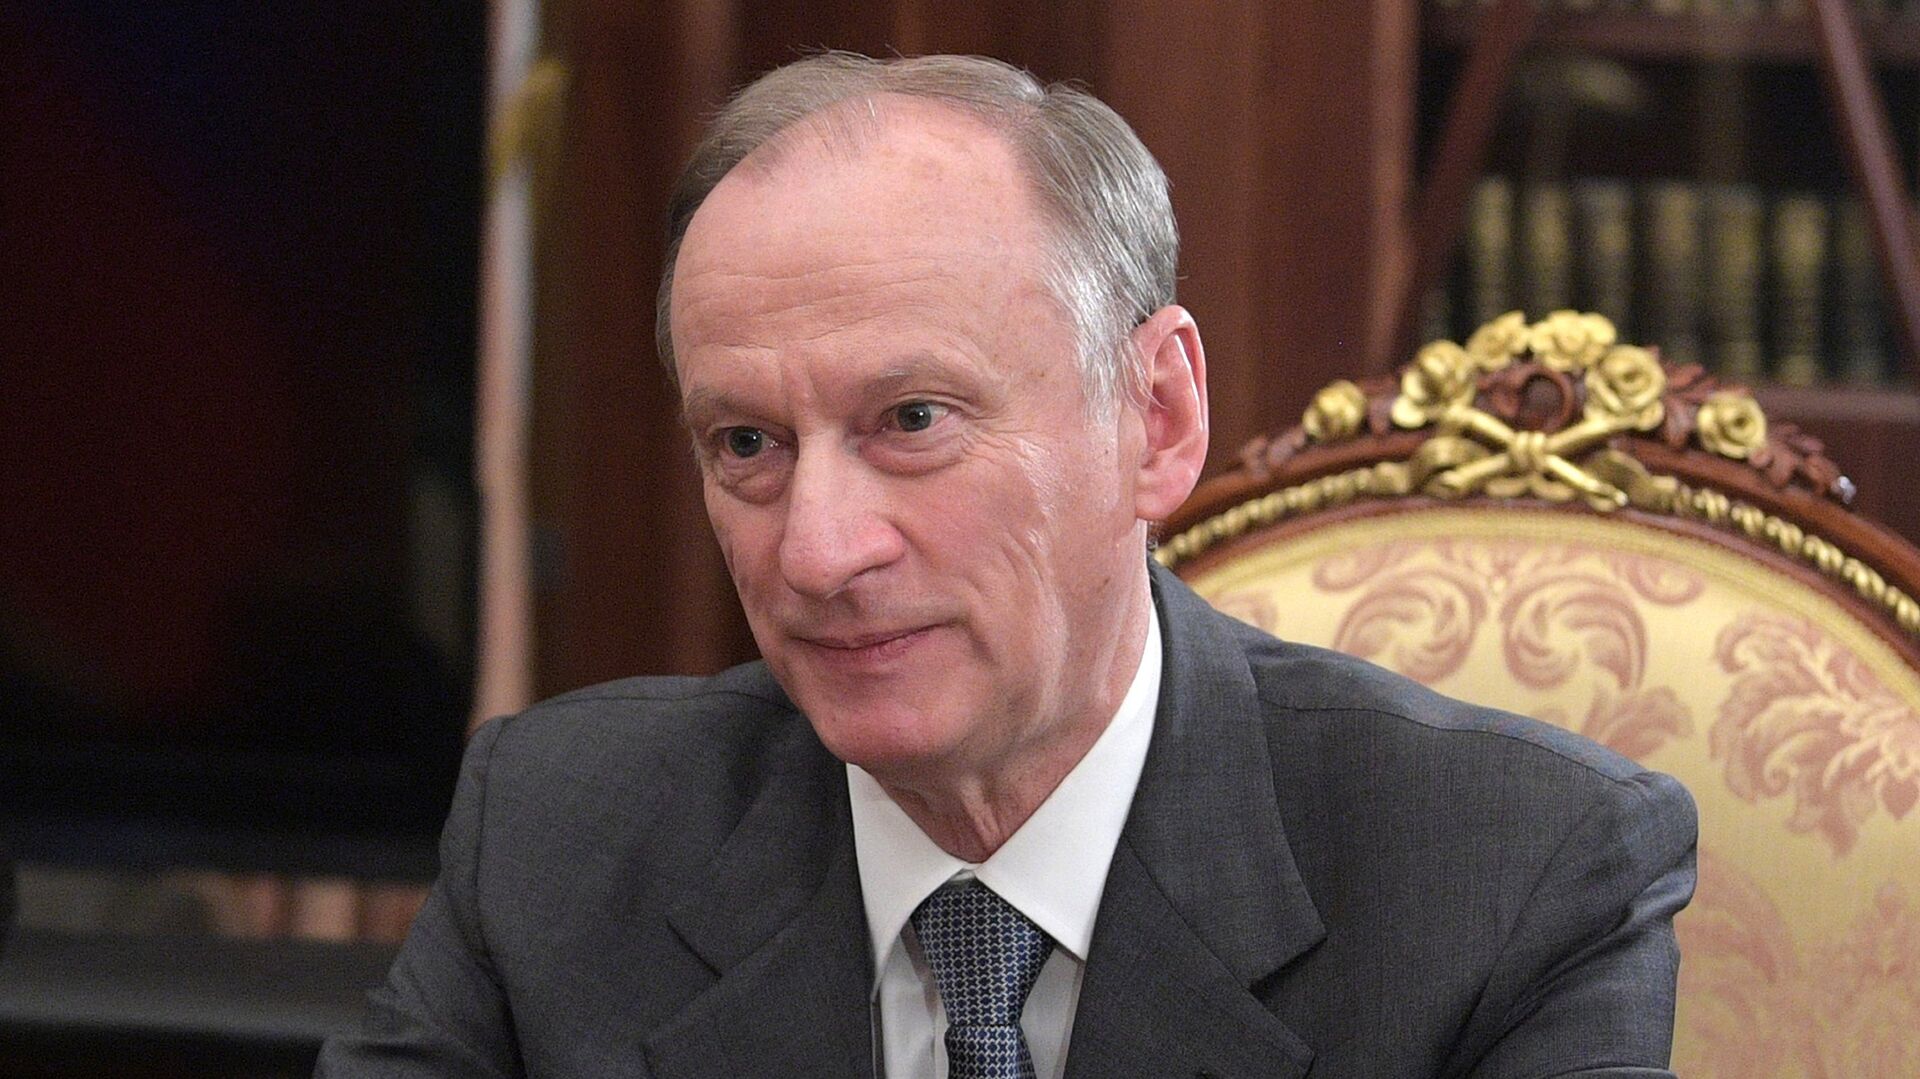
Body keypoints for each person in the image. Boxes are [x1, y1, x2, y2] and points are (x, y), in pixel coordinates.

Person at [318, 53, 1695, 1078]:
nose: (819, 551)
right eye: (747, 444)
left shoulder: (1505, 879)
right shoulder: (561, 834)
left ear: (1156, 418)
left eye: (913, 420)